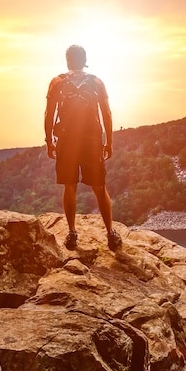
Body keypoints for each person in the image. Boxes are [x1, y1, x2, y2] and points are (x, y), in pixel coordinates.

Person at [45, 44, 120, 250]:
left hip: (67, 142)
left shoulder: (57, 82)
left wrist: (49, 141)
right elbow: (107, 113)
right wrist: (109, 141)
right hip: (92, 141)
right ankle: (110, 233)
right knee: (99, 187)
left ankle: (71, 232)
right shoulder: (96, 82)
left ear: (67, 60)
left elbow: (49, 113)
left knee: (70, 186)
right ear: (84, 60)